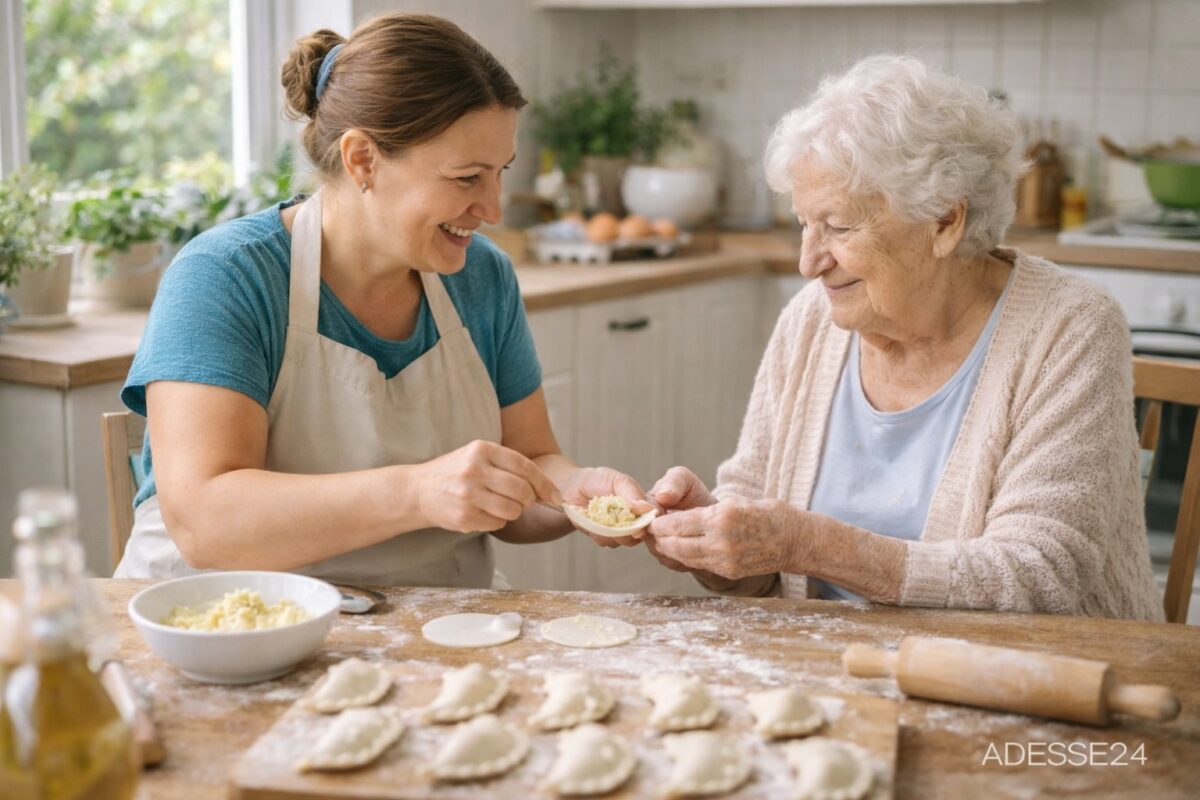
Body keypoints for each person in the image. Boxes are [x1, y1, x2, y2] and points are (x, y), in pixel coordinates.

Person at [115, 13, 650, 585]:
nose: (493, 209)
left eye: (501, 173)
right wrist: (418, 492)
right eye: (467, 177)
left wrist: (574, 492)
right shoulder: (228, 276)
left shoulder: (482, 277)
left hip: (430, 622)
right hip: (227, 619)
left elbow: (533, 462)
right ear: (363, 160)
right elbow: (207, 524)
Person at [640, 54, 1162, 620]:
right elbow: (762, 539)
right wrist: (716, 540)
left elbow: (1039, 572)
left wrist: (807, 544)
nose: (808, 263)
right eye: (803, 224)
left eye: (838, 227)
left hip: (1026, 664)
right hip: (830, 660)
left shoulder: (1070, 329)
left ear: (944, 221)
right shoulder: (810, 320)